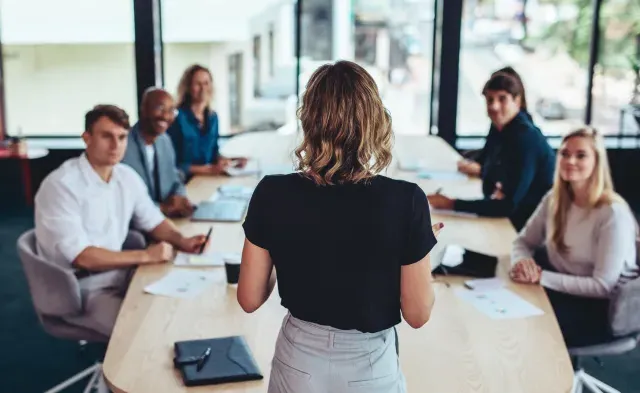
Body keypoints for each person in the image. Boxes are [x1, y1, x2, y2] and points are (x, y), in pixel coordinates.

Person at [237, 61, 441, 393]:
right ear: (375, 121)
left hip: (297, 362)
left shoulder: (271, 192)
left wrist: (283, 244)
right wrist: (418, 242)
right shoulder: (407, 201)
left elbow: (249, 298)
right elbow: (418, 314)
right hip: (371, 368)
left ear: (308, 120)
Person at [34, 104, 210, 337]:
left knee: (177, 310)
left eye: (122, 137)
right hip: (79, 288)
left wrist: (182, 240)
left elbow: (153, 221)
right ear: (87, 138)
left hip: (120, 272)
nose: (116, 145)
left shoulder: (125, 176)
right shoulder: (62, 185)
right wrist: (146, 256)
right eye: (107, 136)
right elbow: (82, 257)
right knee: (145, 334)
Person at [510, 127, 638, 347]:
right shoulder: (554, 199)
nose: (570, 161)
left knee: (523, 329)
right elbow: (522, 242)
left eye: (581, 155)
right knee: (510, 304)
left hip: (602, 309)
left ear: (597, 162)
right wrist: (523, 262)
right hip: (564, 288)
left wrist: (541, 277)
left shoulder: (612, 213)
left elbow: (603, 286)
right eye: (565, 154)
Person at [427, 69, 555, 231]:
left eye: (502, 99)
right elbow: (488, 167)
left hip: (528, 227)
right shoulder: (501, 126)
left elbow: (508, 205)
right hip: (510, 218)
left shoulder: (525, 138)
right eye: (490, 100)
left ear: (517, 101)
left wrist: (451, 204)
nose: (494, 106)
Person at [122, 87, 194, 218]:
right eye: (160, 108)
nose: (166, 116)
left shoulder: (165, 141)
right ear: (143, 109)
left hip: (165, 219)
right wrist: (162, 208)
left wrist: (179, 196)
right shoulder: (123, 145)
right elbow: (124, 199)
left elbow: (175, 178)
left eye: (171, 111)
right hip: (137, 223)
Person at [167, 64, 248, 179]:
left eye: (206, 83)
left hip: (207, 179)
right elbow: (172, 164)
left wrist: (231, 161)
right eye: (197, 84)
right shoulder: (176, 118)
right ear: (188, 87)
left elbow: (213, 153)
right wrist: (208, 170)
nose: (203, 88)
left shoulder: (213, 118)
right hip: (184, 182)